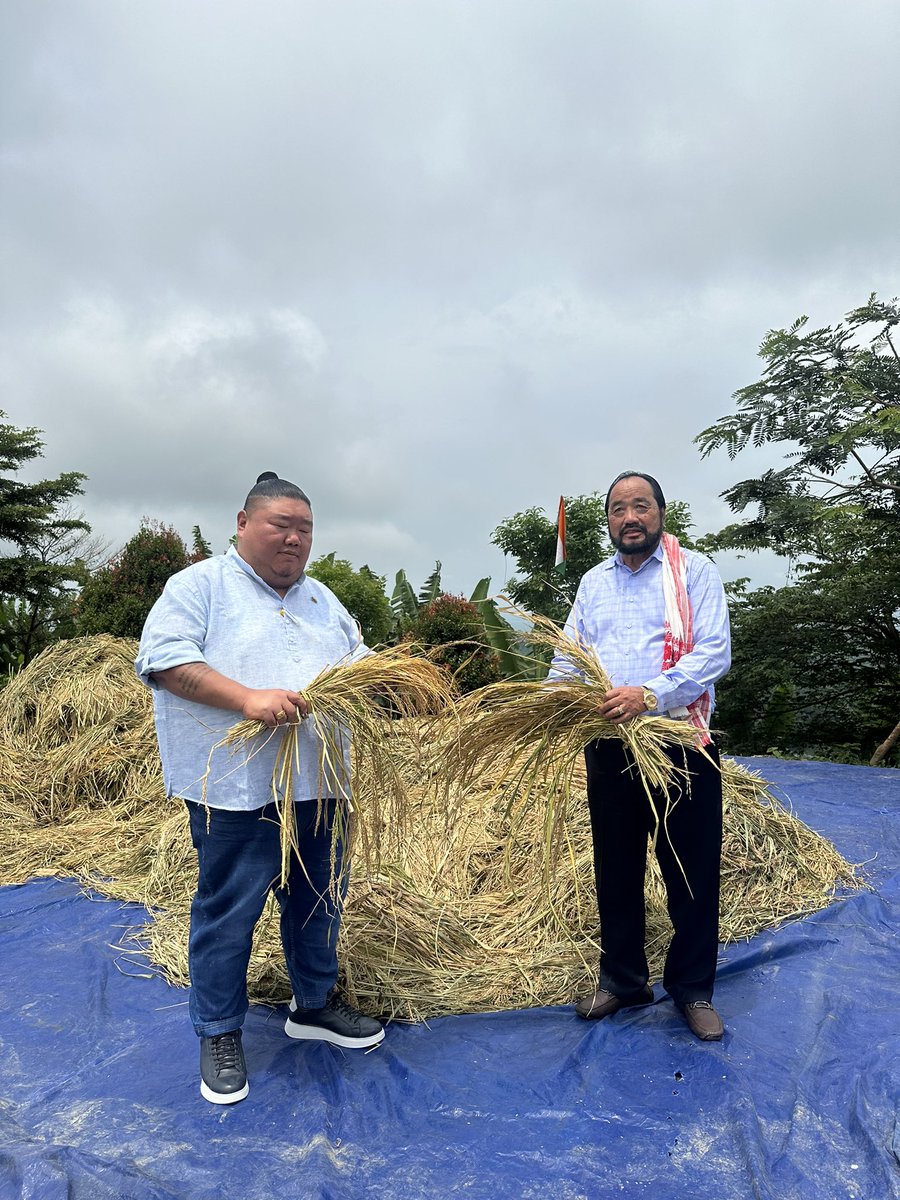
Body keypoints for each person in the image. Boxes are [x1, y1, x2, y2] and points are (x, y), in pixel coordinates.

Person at [136, 472, 384, 1105]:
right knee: (229, 910)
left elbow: (361, 664)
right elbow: (164, 661)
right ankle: (219, 1031)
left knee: (318, 899)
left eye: (304, 529)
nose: (294, 539)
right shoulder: (199, 587)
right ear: (242, 524)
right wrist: (247, 697)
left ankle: (313, 1004)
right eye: (280, 525)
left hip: (320, 781)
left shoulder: (324, 600)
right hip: (234, 791)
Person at [548, 471, 731, 1041]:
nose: (630, 517)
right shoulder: (593, 582)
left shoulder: (695, 572)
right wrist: (551, 703)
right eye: (618, 509)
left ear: (660, 514)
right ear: (607, 521)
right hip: (610, 746)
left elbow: (715, 652)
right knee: (616, 870)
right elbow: (570, 658)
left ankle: (693, 989)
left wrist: (649, 694)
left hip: (680, 743)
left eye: (641, 506)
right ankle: (624, 980)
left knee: (691, 871)